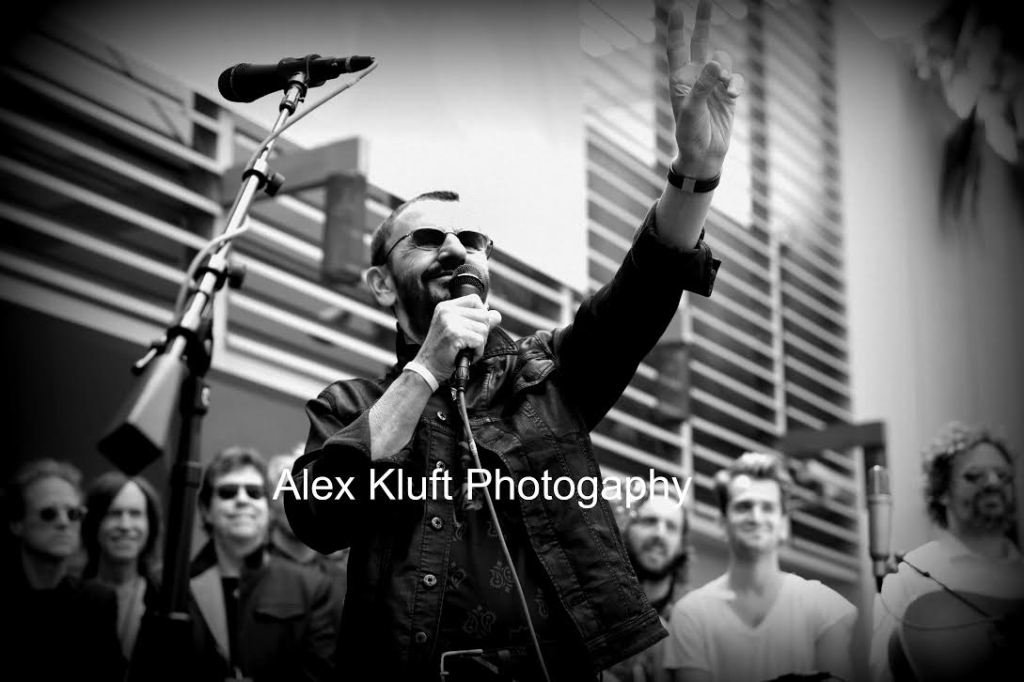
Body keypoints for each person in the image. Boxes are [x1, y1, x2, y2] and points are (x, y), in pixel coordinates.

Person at [284, 0, 742, 678]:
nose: (455, 249)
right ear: (381, 284)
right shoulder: (348, 405)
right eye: (427, 238)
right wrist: (426, 370)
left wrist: (695, 172)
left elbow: (640, 294)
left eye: (471, 239)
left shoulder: (545, 375)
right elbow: (318, 516)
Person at [663, 452, 857, 682]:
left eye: (767, 507)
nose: (756, 517)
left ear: (783, 525)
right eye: (744, 507)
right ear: (723, 523)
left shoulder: (826, 608)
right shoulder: (691, 615)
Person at [869, 422, 1024, 682]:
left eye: (1003, 475)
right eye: (974, 476)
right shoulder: (910, 574)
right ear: (941, 492)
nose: (993, 483)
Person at [184, 446, 340, 681]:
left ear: (267, 508)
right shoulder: (175, 585)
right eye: (228, 492)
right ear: (206, 510)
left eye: (254, 492)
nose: (242, 500)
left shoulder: (317, 587)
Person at [2, 459, 124, 680]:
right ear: (17, 523)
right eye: (49, 513)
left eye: (73, 514)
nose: (64, 522)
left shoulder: (96, 602)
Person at [606, 487, 691, 682]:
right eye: (650, 521)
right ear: (626, 528)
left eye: (671, 526)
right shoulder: (593, 602)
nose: (660, 534)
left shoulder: (693, 619)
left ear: (682, 544)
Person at [82, 471, 163, 668]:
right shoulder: (70, 596)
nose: (125, 525)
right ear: (93, 522)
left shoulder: (165, 600)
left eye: (135, 514)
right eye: (114, 513)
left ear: (150, 525)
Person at [267, 446, 349, 605]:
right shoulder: (254, 569)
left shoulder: (342, 578)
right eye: (287, 491)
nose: (299, 500)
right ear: (270, 503)